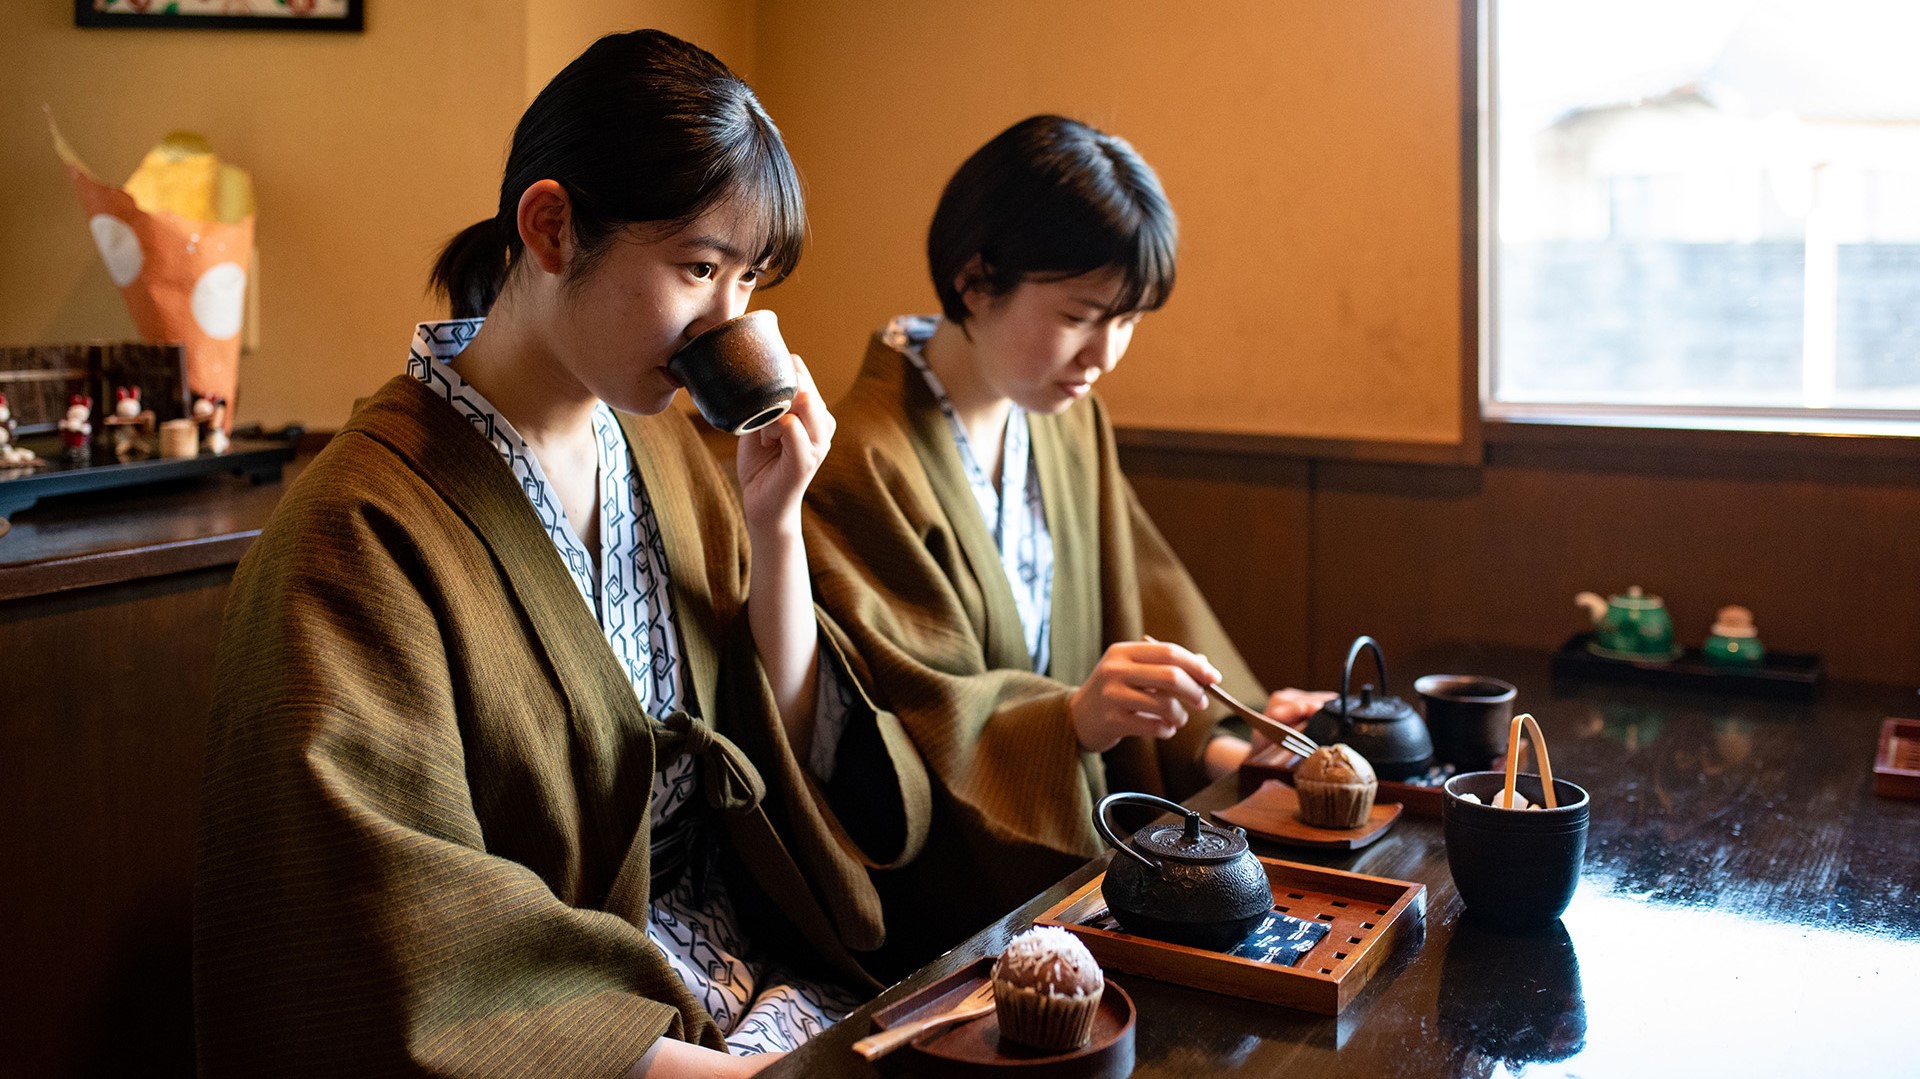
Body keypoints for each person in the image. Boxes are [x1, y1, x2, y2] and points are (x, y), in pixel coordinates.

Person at [193, 30, 924, 1078]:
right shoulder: (355, 529)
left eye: (749, 281)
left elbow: (796, 762)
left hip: (757, 982)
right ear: (551, 227)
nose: (729, 324)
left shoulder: (667, 451)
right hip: (604, 1041)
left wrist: (774, 527)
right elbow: (387, 919)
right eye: (700, 267)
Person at [803, 114, 1333, 973]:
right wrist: (1072, 719)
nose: (1104, 355)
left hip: (1092, 852)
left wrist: (1235, 734)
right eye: (1082, 315)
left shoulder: (1067, 417)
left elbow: (1144, 595)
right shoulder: (863, 458)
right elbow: (906, 716)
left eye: (1126, 321)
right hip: (961, 898)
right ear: (975, 280)